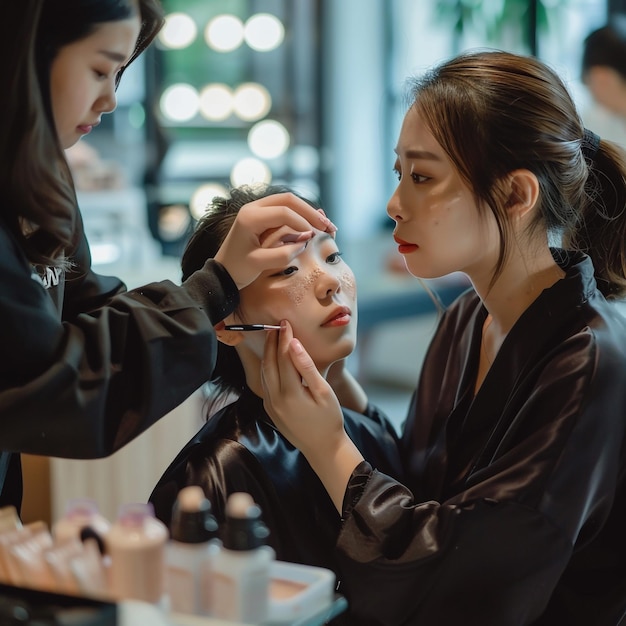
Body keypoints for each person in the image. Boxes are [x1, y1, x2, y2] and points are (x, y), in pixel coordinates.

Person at [261, 50, 626, 625]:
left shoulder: (588, 361)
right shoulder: (467, 319)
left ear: (516, 195)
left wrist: (328, 443)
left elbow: (468, 579)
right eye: (399, 175)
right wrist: (332, 382)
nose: (394, 205)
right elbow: (416, 473)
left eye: (423, 178)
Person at [0, 0, 335, 516]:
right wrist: (212, 287)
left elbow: (90, 314)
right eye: (99, 69)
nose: (111, 99)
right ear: (27, 50)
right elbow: (51, 378)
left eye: (121, 74)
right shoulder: (219, 473)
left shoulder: (39, 183)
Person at [149, 185, 402, 620]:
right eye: (286, 270)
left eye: (332, 256)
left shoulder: (357, 424)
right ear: (225, 324)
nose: (328, 282)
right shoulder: (216, 474)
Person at [580, 16, 626, 148]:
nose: (589, 89)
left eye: (588, 81)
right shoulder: (598, 120)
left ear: (601, 76)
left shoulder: (592, 125)